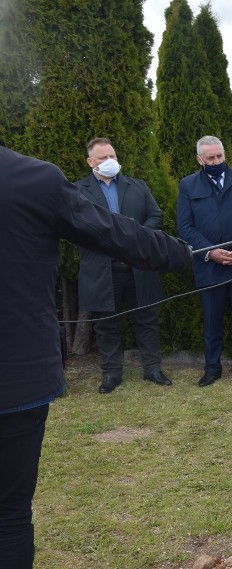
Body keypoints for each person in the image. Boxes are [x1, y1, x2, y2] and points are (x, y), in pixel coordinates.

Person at [0, 141, 191, 569]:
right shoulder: (31, 178)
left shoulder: (116, 184)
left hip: (15, 378)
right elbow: (111, 231)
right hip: (15, 376)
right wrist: (178, 253)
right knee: (8, 518)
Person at [75, 138, 172, 394]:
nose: (110, 162)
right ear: (90, 162)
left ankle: (152, 369)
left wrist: (137, 236)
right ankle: (111, 373)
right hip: (101, 267)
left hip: (138, 264)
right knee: (106, 324)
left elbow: (156, 216)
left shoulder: (137, 187)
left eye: (113, 156)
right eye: (103, 158)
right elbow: (74, 226)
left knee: (147, 319)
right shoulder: (78, 191)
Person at [177, 135, 232, 387]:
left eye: (220, 156)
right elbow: (185, 226)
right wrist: (210, 251)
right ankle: (212, 368)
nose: (217, 161)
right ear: (200, 159)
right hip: (209, 266)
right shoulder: (188, 186)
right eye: (211, 158)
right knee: (212, 320)